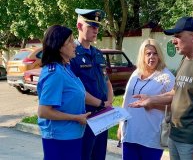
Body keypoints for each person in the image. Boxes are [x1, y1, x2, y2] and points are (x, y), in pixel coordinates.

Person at [129, 17, 193, 160]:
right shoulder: (185, 60)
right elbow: (176, 92)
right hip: (175, 136)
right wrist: (151, 99)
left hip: (192, 141)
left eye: (178, 36)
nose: (174, 41)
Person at [37, 25, 91, 160]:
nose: (74, 45)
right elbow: (44, 111)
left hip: (72, 136)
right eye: (70, 41)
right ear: (59, 46)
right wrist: (76, 118)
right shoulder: (55, 73)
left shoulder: (65, 68)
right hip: (59, 138)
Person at [117, 38, 175, 160]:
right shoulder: (135, 73)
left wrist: (152, 103)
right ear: (142, 56)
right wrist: (120, 125)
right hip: (130, 134)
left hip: (151, 137)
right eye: (148, 54)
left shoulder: (166, 77)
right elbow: (126, 100)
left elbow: (174, 105)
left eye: (155, 53)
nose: (152, 57)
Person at [70, 8, 113, 160]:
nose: (96, 30)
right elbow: (75, 91)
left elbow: (106, 80)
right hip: (85, 116)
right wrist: (101, 103)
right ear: (79, 26)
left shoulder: (98, 53)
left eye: (97, 27)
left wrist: (109, 101)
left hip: (102, 115)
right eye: (91, 26)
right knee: (84, 156)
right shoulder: (72, 54)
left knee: (99, 156)